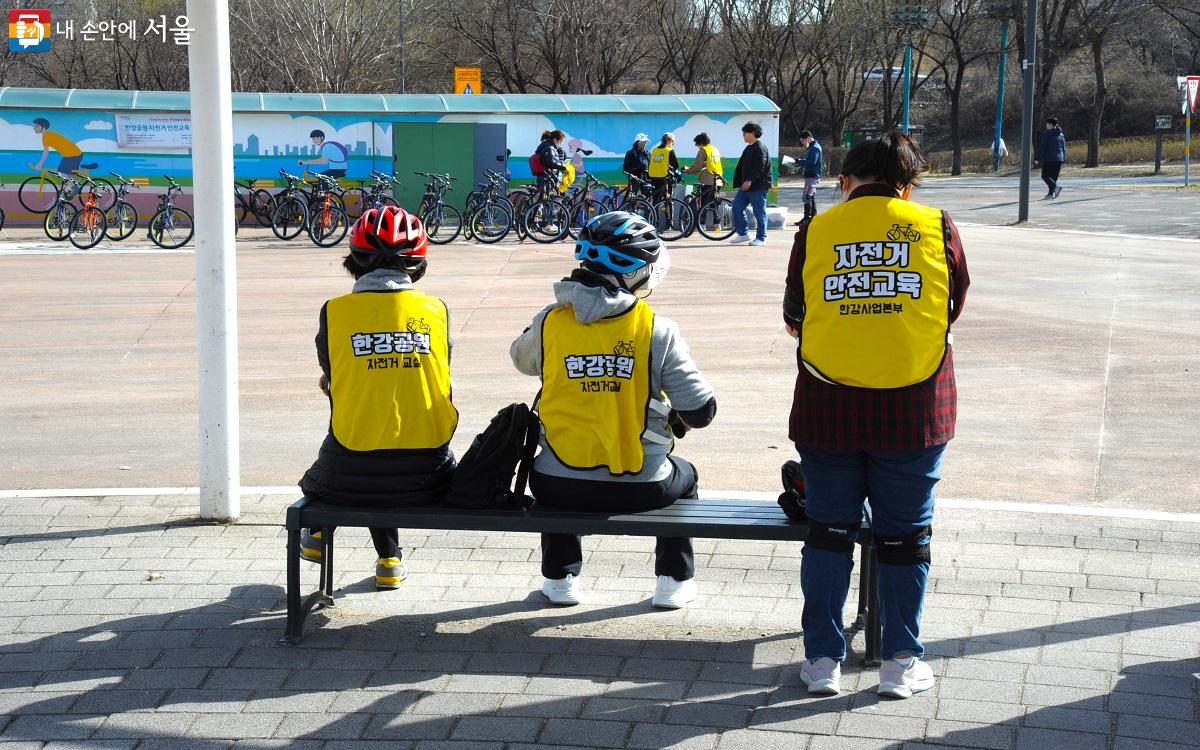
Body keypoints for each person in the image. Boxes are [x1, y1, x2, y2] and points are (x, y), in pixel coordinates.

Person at [781, 131, 970, 699]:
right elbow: (952, 305)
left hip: (827, 407)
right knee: (906, 539)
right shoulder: (936, 225)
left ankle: (821, 662)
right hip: (915, 409)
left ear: (845, 181)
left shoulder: (816, 230)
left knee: (829, 533)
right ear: (908, 188)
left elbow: (795, 312)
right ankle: (899, 664)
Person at [509, 211, 717, 609]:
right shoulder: (657, 328)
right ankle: (673, 582)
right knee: (686, 476)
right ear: (636, 271)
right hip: (642, 487)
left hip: (559, 485)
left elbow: (521, 361)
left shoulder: (551, 320)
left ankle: (559, 580)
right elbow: (699, 411)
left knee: (551, 462)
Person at [298, 206, 459, 589]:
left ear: (353, 261)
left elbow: (332, 372)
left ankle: (319, 532)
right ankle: (388, 559)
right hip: (430, 475)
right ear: (418, 264)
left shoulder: (335, 311)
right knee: (383, 444)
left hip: (350, 473)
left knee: (345, 457)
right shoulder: (436, 310)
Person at [730, 122, 771, 246]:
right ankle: (743, 234)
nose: (743, 135)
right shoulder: (749, 147)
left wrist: (749, 180)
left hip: (758, 186)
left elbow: (760, 167)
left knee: (759, 212)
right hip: (745, 187)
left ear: (752, 133)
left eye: (745, 133)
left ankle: (761, 238)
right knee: (736, 207)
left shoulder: (760, 147)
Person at [28, 117, 94, 175]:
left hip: (73, 155)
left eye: (36, 126)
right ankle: (74, 184)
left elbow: (45, 153)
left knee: (62, 173)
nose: (34, 128)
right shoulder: (48, 135)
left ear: (43, 127)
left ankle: (75, 188)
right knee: (65, 173)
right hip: (72, 155)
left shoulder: (47, 136)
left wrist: (39, 165)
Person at [683, 132, 723, 222]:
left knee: (704, 202)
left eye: (697, 145)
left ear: (700, 143)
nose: (697, 147)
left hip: (708, 180)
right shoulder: (715, 149)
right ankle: (717, 224)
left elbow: (697, 166)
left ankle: (702, 224)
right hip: (719, 179)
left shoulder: (703, 150)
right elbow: (710, 163)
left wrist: (688, 170)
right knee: (715, 202)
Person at [797, 129, 824, 225]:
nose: (803, 143)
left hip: (812, 175)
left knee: (807, 196)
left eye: (803, 141)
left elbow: (811, 162)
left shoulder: (814, 148)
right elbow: (809, 161)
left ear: (808, 138)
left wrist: (799, 162)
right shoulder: (812, 147)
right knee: (811, 196)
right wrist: (799, 161)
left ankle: (807, 218)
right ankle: (813, 216)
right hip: (811, 175)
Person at [1036, 117, 1065, 199]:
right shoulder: (1061, 134)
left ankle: (1056, 188)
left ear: (1050, 125)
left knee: (1045, 176)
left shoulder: (1048, 133)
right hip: (1059, 159)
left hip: (1050, 158)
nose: (1046, 126)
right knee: (1053, 178)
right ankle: (1050, 194)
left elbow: (1043, 147)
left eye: (1047, 124)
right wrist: (1063, 158)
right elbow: (1063, 147)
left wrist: (1038, 158)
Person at [647, 132, 680, 202]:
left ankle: (654, 212)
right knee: (668, 199)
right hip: (664, 178)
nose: (672, 144)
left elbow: (650, 163)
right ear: (669, 140)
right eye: (672, 142)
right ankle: (668, 212)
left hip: (653, 178)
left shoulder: (654, 150)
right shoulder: (669, 150)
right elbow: (676, 166)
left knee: (655, 199)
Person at [535, 129, 567, 193]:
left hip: (544, 175)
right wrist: (564, 168)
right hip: (546, 177)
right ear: (555, 139)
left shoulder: (546, 145)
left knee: (544, 198)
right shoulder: (549, 148)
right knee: (546, 199)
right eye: (561, 141)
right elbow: (551, 163)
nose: (561, 143)